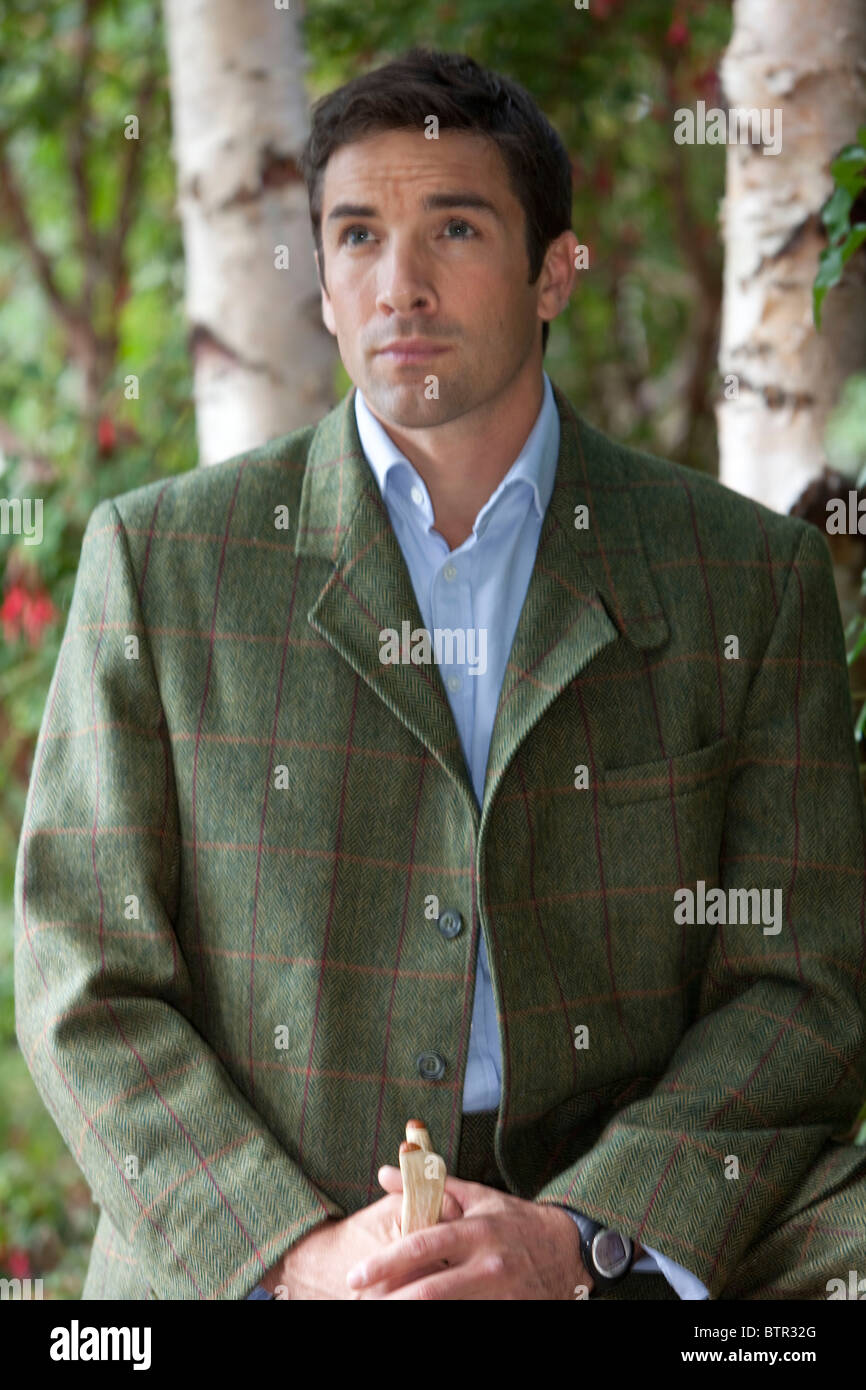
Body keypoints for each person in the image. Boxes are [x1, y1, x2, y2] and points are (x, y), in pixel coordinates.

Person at [14, 47, 866, 1302]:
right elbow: (84, 979)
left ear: (554, 271)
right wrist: (298, 1254)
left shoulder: (745, 577)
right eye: (355, 235)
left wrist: (579, 1236)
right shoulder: (162, 565)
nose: (398, 283)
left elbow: (800, 981)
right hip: (276, 1223)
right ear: (319, 284)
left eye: (453, 227)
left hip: (622, 1217)